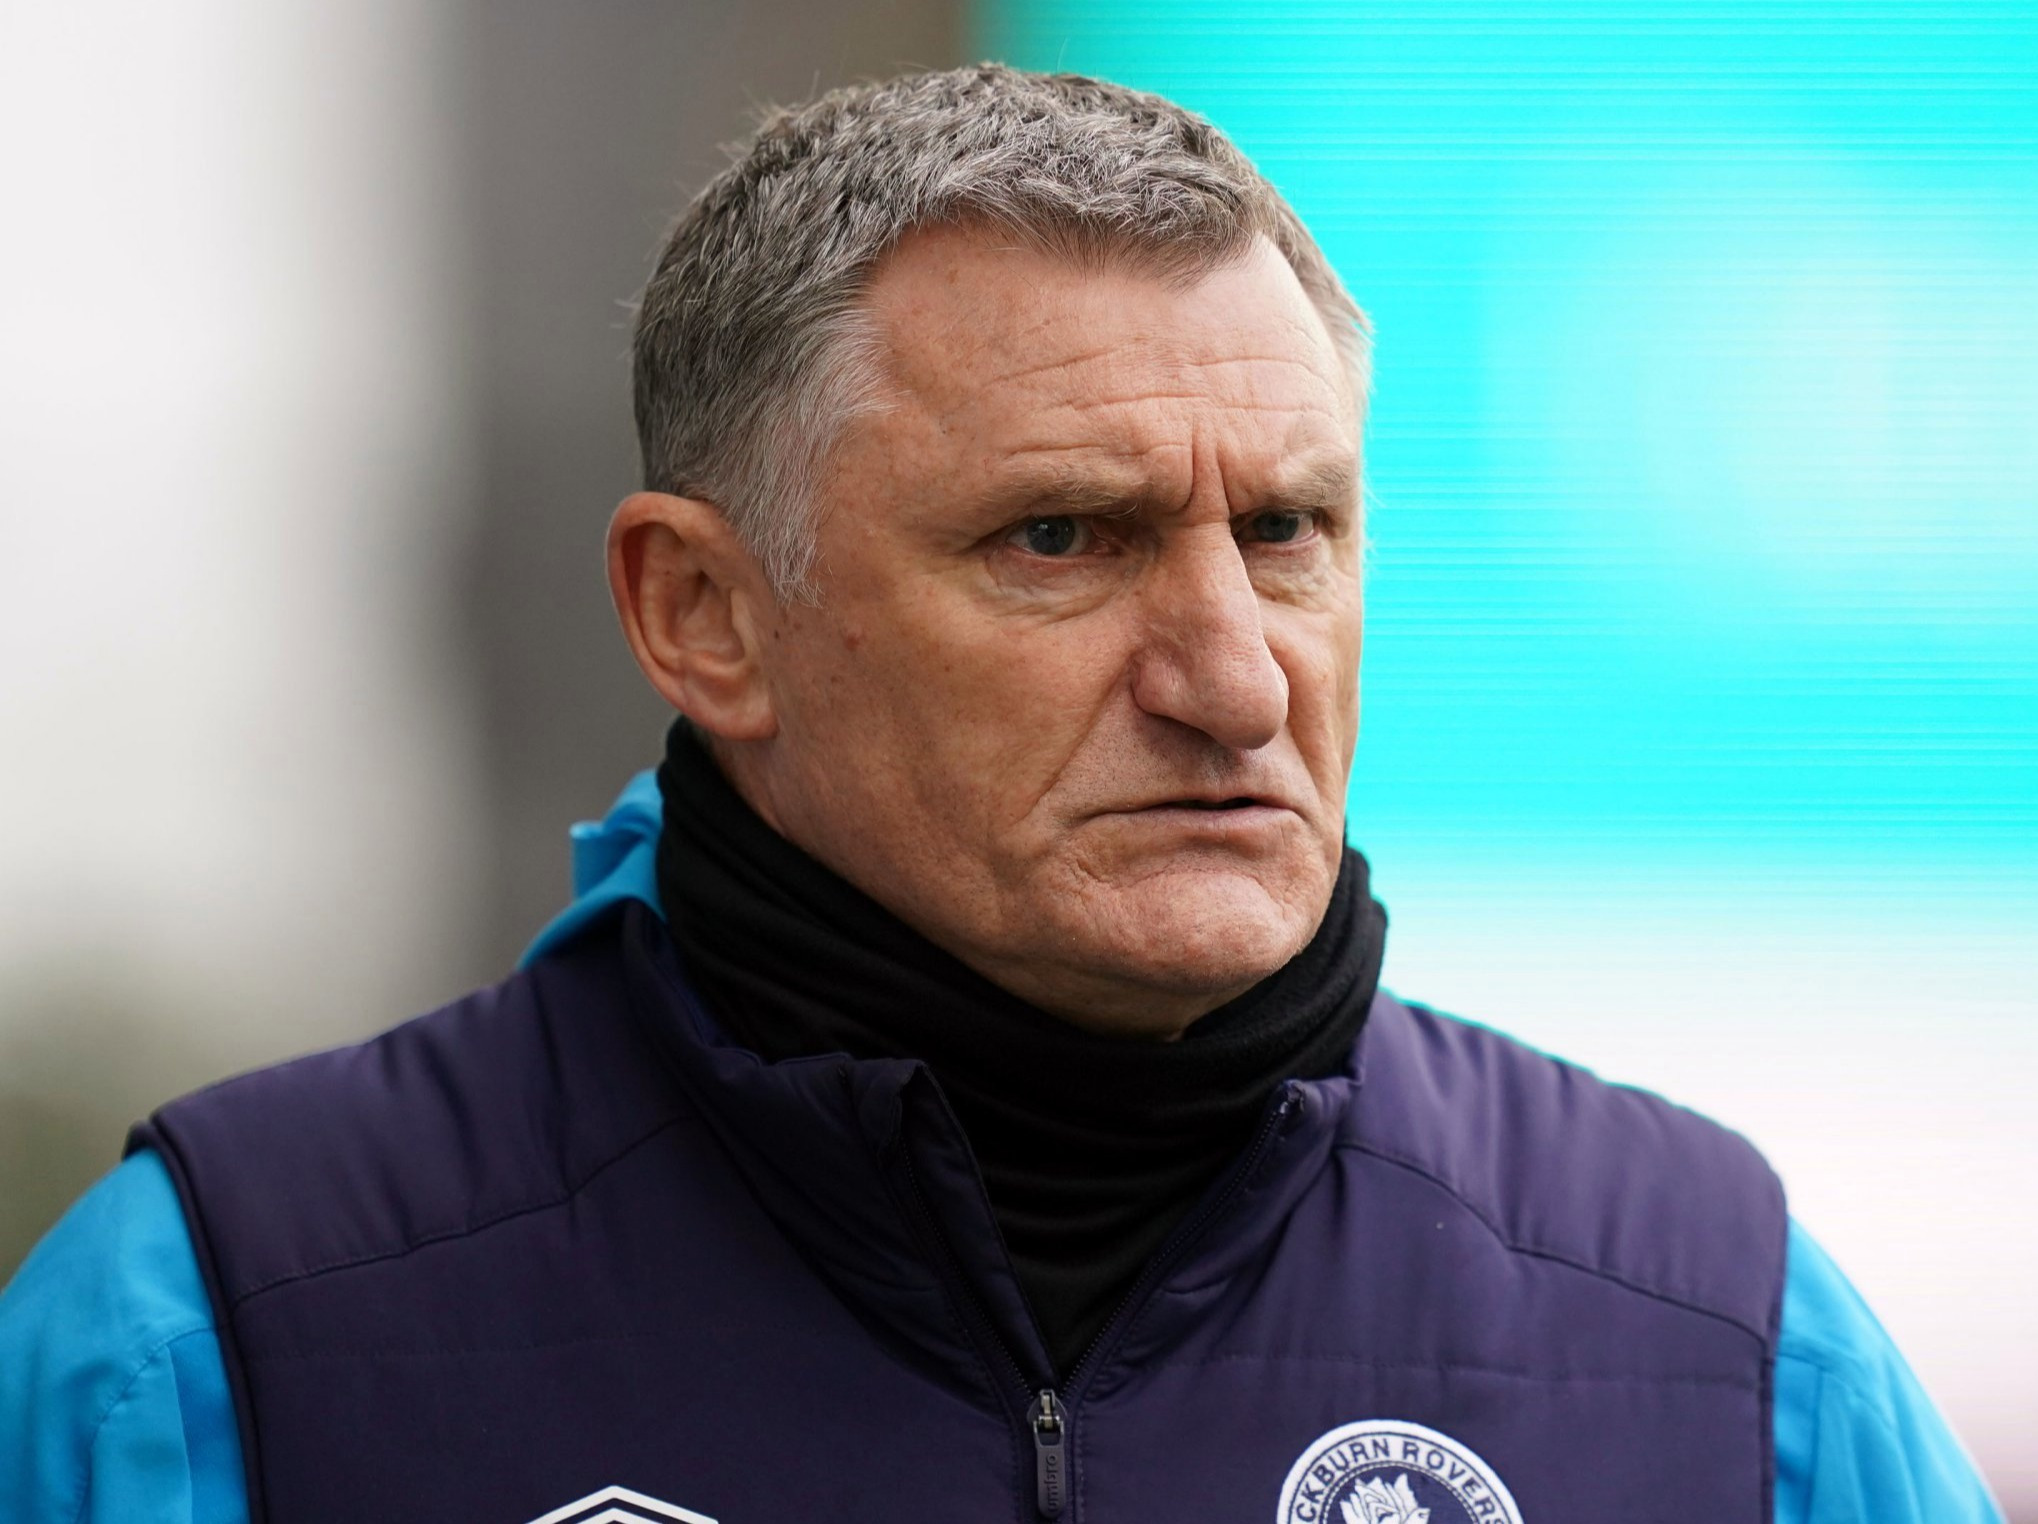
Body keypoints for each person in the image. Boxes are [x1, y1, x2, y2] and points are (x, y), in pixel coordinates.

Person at [0, 65, 2002, 1524]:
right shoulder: (223, 1333)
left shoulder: (1712, 1331)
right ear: (703, 616)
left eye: (1288, 531)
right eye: (1060, 538)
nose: (1234, 678)